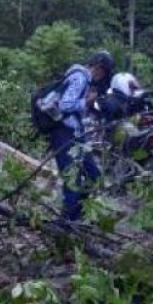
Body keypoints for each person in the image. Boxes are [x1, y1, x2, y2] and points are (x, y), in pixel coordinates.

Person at [48, 51, 114, 221]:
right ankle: (67, 222)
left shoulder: (80, 76)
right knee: (72, 179)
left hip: (76, 133)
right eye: (104, 73)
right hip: (63, 133)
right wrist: (87, 101)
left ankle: (79, 213)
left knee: (94, 174)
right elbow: (65, 105)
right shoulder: (80, 77)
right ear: (99, 69)